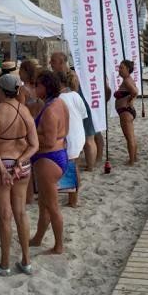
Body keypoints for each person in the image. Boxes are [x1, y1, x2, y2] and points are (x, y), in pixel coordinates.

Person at [0, 73, 39, 276]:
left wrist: (2, 170)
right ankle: (26, 261)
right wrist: (20, 162)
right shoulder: (25, 111)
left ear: (1, 90)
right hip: (22, 166)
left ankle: (5, 265)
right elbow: (34, 145)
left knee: (5, 216)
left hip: (2, 164)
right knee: (21, 213)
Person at [29, 70, 69, 255]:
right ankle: (38, 238)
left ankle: (59, 245)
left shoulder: (51, 110)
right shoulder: (60, 103)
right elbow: (63, 132)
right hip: (56, 155)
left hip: (49, 159)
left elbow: (49, 141)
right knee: (44, 204)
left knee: (52, 206)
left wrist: (29, 135)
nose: (34, 88)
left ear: (45, 87)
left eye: (37, 85)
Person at [50, 51, 100, 171]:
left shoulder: (71, 76)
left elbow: (74, 93)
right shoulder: (71, 74)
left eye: (53, 61)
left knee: (88, 138)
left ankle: (90, 166)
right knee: (87, 138)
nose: (50, 63)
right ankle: (90, 165)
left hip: (79, 108)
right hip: (79, 107)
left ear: (61, 62)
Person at [57, 70, 88, 208]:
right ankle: (73, 197)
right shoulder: (76, 95)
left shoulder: (59, 98)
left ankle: (73, 200)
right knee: (74, 166)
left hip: (69, 136)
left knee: (71, 167)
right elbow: (83, 115)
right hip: (78, 134)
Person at [114, 60, 139, 165]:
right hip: (126, 111)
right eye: (119, 67)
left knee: (129, 138)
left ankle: (131, 161)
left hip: (125, 112)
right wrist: (131, 99)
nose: (119, 70)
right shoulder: (128, 80)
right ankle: (134, 158)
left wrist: (130, 99)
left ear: (128, 69)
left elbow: (135, 92)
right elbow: (135, 91)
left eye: (121, 68)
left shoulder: (127, 81)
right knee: (131, 136)